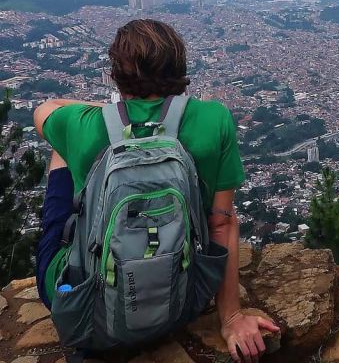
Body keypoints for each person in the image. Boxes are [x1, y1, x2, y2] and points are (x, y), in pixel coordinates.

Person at [33, 19, 278, 362]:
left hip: (81, 304)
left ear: (116, 72)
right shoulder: (214, 118)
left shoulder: (85, 125)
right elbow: (221, 224)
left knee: (62, 147)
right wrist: (232, 318)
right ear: (179, 63)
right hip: (179, 302)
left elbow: (43, 110)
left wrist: (103, 113)